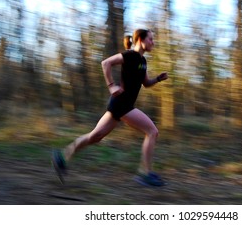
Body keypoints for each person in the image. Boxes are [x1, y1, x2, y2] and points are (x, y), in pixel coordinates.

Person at [52, 29, 168, 187]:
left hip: (119, 105)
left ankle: (62, 156)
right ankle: (145, 173)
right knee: (152, 132)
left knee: (95, 137)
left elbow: (146, 84)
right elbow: (105, 63)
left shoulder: (142, 61)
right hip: (123, 105)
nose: (153, 42)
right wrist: (111, 86)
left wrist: (158, 79)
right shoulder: (129, 56)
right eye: (151, 39)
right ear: (141, 40)